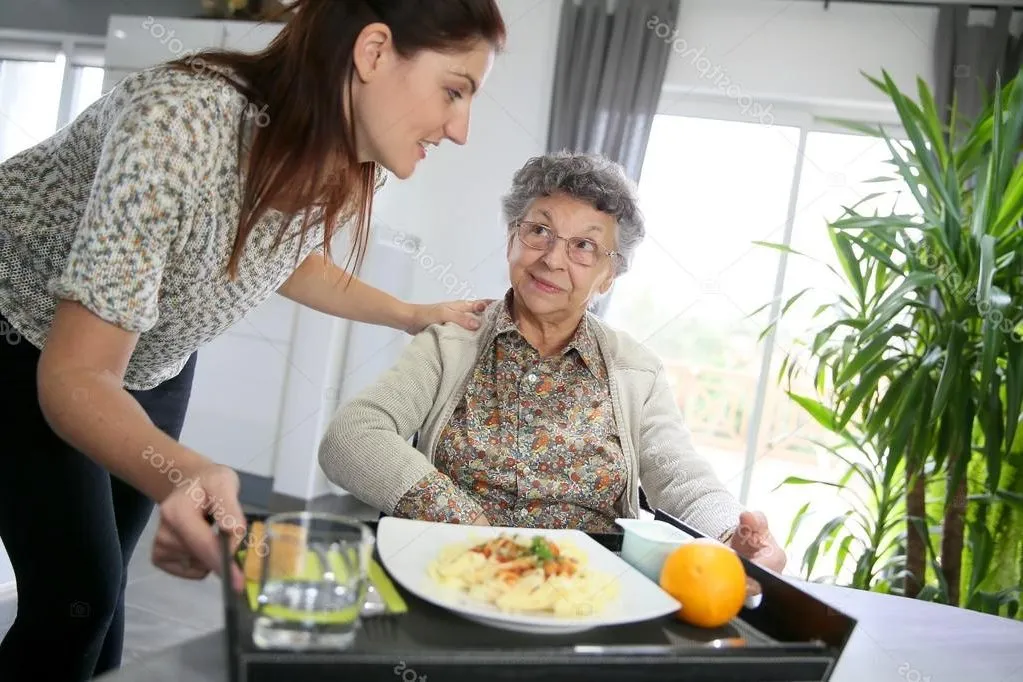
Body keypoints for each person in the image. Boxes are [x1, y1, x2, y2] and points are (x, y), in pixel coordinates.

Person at [0, 0, 506, 678]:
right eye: (454, 90)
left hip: (151, 362)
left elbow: (284, 255)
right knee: (77, 596)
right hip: (20, 336)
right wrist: (188, 472)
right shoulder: (177, 124)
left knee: (102, 600)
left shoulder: (349, 156)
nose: (460, 129)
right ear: (374, 52)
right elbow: (75, 377)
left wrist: (410, 313)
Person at [318, 151, 786, 581]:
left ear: (609, 275)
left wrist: (732, 533)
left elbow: (681, 477)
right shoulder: (451, 339)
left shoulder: (635, 370)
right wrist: (470, 524)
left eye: (584, 246)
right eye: (539, 230)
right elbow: (352, 437)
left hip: (584, 590)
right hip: (452, 571)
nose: (552, 258)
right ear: (511, 239)